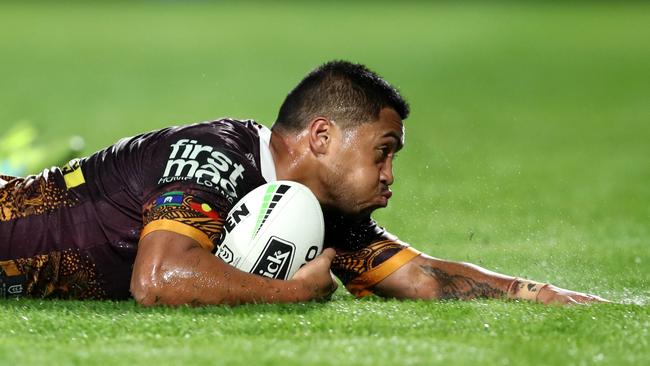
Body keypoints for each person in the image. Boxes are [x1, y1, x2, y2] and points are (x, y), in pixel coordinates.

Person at [0, 61, 606, 306]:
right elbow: (158, 279)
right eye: (383, 153)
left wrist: (539, 294)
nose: (389, 176)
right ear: (320, 138)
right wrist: (294, 294)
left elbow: (420, 276)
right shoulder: (212, 157)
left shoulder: (321, 207)